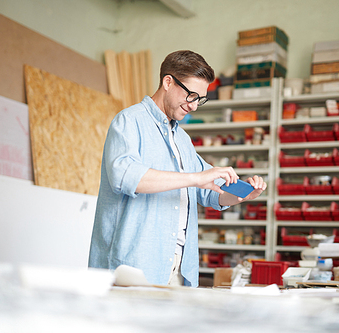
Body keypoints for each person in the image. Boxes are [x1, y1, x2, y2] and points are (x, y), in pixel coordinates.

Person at [88, 50, 267, 287]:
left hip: (178, 266)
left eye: (200, 99)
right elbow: (126, 177)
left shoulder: (182, 140)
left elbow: (212, 192)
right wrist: (194, 178)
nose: (194, 107)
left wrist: (245, 194)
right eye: (191, 95)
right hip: (135, 264)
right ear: (168, 82)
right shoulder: (129, 121)